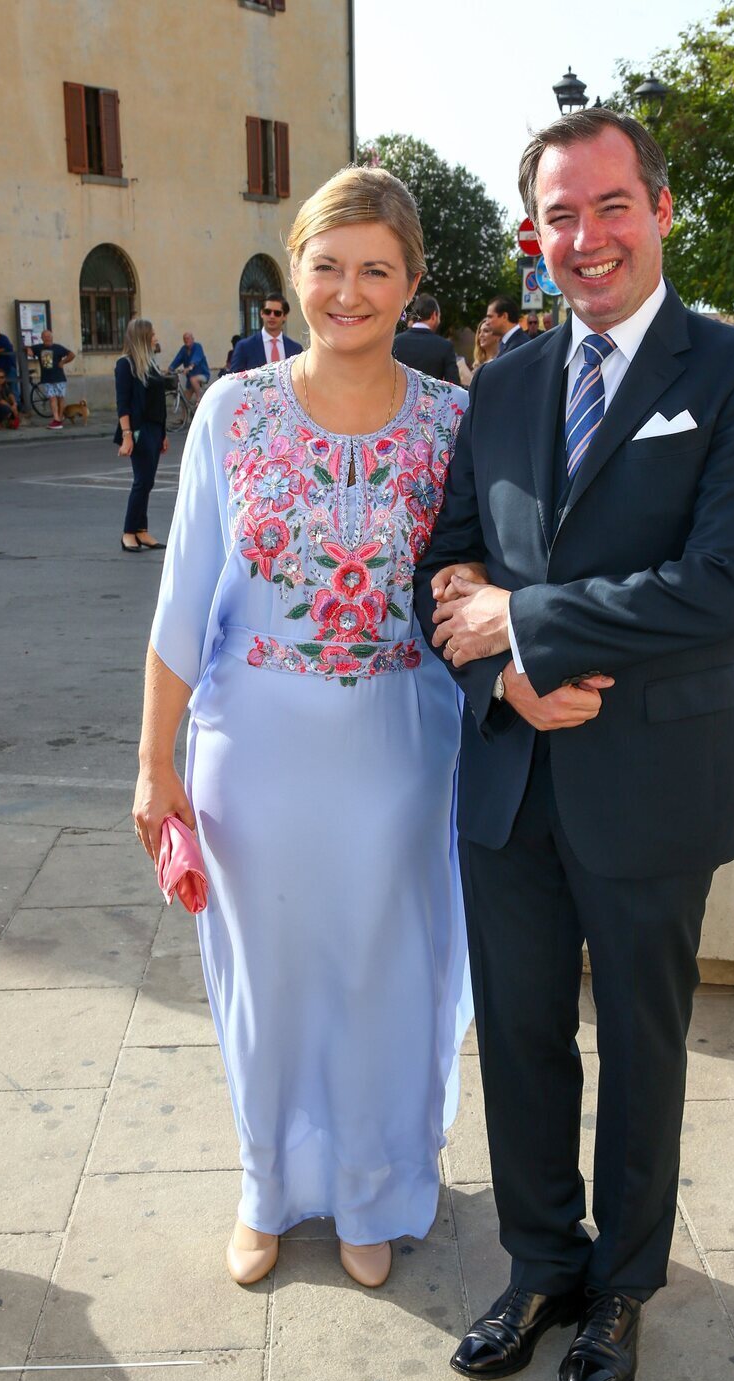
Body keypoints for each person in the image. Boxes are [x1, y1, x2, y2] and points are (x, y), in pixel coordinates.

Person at [414, 107, 734, 1381]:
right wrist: (500, 676)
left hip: (652, 783)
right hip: (510, 780)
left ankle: (625, 1281)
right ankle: (540, 1263)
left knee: (641, 1049)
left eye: (610, 206)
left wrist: (527, 623)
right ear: (537, 235)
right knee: (522, 1038)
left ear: (661, 208)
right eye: (559, 216)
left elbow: (724, 585)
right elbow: (447, 563)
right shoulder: (510, 378)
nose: (585, 239)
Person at [133, 165, 471, 1294]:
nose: (347, 290)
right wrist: (153, 766)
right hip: (252, 756)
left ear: (412, 285)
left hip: (398, 753)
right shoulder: (233, 409)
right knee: (265, 979)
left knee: (382, 973)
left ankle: (374, 1188)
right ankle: (270, 1186)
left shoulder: (454, 421)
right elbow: (183, 599)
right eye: (326, 266)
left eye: (376, 269)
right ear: (293, 274)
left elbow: (473, 587)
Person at [115, 318, 169, 553]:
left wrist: (163, 433)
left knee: (148, 481)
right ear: (143, 336)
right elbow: (123, 403)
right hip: (138, 429)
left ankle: (141, 530)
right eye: (153, 333)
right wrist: (127, 435)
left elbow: (159, 402)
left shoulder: (151, 363)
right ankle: (128, 532)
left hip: (155, 428)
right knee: (141, 481)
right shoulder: (125, 365)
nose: (156, 336)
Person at [392, 293, 461, 384]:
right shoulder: (445, 346)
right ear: (434, 315)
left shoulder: (395, 342)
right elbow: (453, 386)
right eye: (439, 317)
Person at [231, 295, 304, 370]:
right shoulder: (244, 347)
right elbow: (234, 379)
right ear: (262, 313)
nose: (272, 316)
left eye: (277, 313)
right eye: (267, 312)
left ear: (284, 316)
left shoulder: (296, 349)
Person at [26, 330, 75, 428]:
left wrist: (63, 362)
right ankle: (56, 419)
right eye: (45, 336)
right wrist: (28, 350)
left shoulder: (58, 348)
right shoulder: (39, 347)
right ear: (42, 338)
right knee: (52, 398)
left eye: (49, 336)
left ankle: (60, 418)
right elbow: (27, 347)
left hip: (59, 377)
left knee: (60, 398)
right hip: (47, 378)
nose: (47, 338)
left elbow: (72, 355)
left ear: (52, 337)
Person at [168, 332, 210, 403]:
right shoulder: (183, 349)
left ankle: (199, 400)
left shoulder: (198, 346)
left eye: (188, 338)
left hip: (203, 374)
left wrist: (190, 367)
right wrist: (170, 369)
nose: (186, 340)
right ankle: (186, 413)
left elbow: (196, 358)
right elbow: (177, 359)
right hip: (190, 379)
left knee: (193, 379)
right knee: (185, 400)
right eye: (184, 339)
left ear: (192, 339)